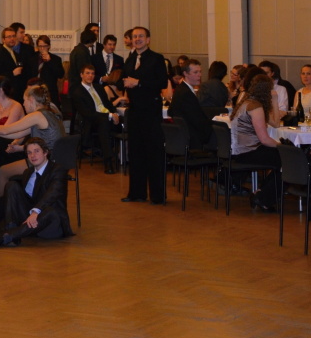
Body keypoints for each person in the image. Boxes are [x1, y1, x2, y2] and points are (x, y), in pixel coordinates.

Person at [0, 137, 74, 248]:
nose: (33, 155)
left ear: (45, 152)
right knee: (11, 185)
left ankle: (9, 236)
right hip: (30, 220)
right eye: (29, 152)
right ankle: (11, 230)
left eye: (36, 151)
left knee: (51, 211)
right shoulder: (28, 172)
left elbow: (52, 194)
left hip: (49, 222)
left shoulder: (58, 170)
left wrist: (36, 211)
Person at [0, 84, 65, 191]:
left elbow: (6, 130)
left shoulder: (37, 116)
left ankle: (2, 201)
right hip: (55, 159)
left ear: (31, 100)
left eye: (24, 100)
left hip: (45, 161)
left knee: (2, 171)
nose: (23, 104)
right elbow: (17, 134)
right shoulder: (50, 113)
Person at [121, 26, 169, 205]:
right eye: (134, 36)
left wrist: (139, 82)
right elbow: (124, 78)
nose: (137, 39)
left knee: (154, 152)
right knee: (135, 152)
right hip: (134, 110)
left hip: (150, 111)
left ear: (148, 39)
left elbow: (162, 82)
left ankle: (157, 195)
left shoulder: (156, 58)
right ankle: (136, 193)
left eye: (141, 36)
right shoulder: (130, 58)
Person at [228, 74, 281, 212]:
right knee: (287, 159)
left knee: (282, 159)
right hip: (248, 152)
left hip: (241, 151)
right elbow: (264, 139)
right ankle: (263, 198)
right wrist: (283, 147)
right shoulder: (255, 107)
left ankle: (262, 194)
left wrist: (275, 101)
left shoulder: (248, 103)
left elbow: (275, 124)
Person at [69, 65, 118, 174]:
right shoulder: (77, 92)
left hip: (107, 118)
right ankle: (108, 161)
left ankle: (127, 157)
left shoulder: (99, 88)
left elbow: (108, 105)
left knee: (128, 120)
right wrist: (109, 116)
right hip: (91, 122)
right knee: (104, 123)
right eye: (87, 73)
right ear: (81, 75)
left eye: (92, 73)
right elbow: (88, 114)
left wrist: (114, 114)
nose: (90, 76)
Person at [169, 58, 216, 150]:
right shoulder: (186, 93)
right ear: (185, 73)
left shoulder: (181, 89)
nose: (199, 75)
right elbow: (197, 120)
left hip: (185, 136)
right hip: (193, 139)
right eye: (195, 72)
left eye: (200, 72)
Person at [0, 27, 26, 101]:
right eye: (9, 37)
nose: (12, 39)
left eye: (13, 36)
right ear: (3, 40)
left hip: (16, 93)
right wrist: (12, 73)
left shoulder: (15, 54)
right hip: (6, 93)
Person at [34, 34, 64, 108]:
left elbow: (60, 74)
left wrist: (49, 61)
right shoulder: (32, 58)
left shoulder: (56, 59)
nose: (42, 48)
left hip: (50, 92)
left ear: (49, 46)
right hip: (34, 90)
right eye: (40, 46)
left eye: (44, 46)